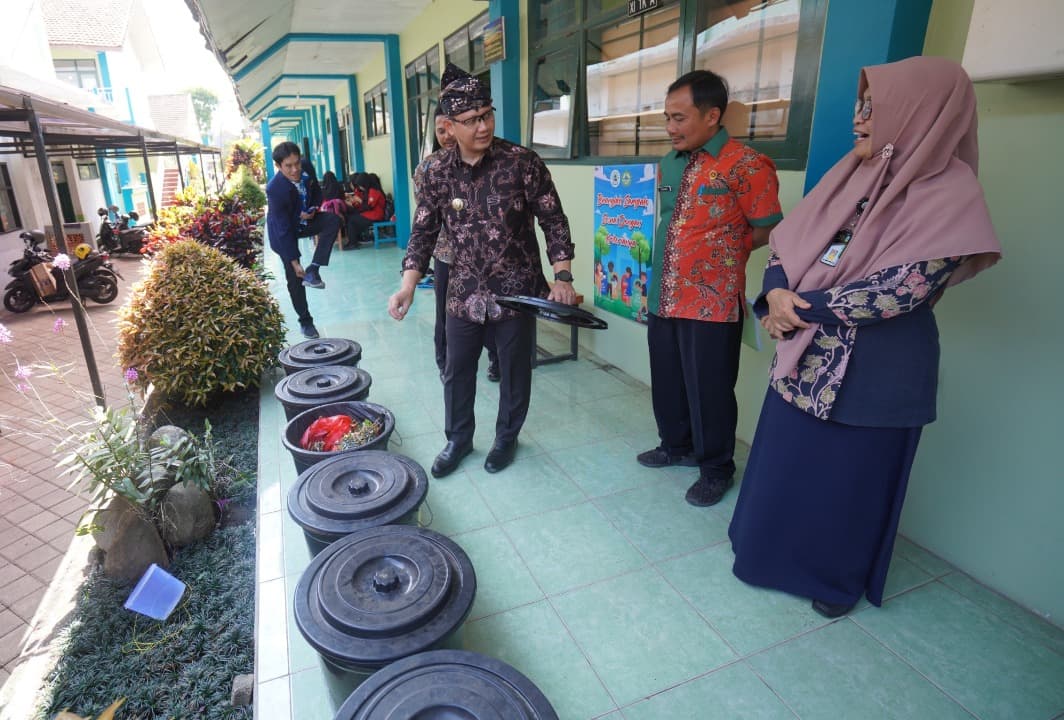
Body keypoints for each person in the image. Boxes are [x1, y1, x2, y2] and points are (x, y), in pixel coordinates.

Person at [728, 56, 1001, 618]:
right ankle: (762, 555)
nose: (859, 119)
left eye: (875, 108)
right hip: (806, 361)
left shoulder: (951, 195)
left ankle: (831, 581)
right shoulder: (850, 176)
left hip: (877, 372)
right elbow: (787, 243)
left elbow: (902, 289)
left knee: (847, 484)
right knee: (787, 466)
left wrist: (795, 308)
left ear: (921, 113)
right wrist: (776, 292)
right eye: (861, 105)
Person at [388, 63, 576, 478]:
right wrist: (407, 286)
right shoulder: (436, 172)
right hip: (463, 290)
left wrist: (562, 276)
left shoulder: (522, 163)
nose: (482, 126)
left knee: (513, 371)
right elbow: (422, 233)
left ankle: (506, 437)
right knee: (457, 371)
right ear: (449, 126)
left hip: (516, 289)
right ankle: (458, 439)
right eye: (471, 120)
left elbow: (554, 220)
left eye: (487, 115)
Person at [638, 69, 782, 507]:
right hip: (664, 293)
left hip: (712, 302)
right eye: (667, 118)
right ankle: (675, 445)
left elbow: (766, 229)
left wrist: (720, 256)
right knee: (667, 380)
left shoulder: (747, 165)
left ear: (712, 115)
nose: (671, 128)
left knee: (710, 389)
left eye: (680, 118)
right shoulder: (669, 163)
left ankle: (716, 467)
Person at [413, 106, 500, 384]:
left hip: (487, 256)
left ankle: (497, 360)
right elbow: (427, 221)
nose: (447, 136)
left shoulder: (491, 162)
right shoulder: (428, 169)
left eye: (450, 128)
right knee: (446, 314)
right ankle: (445, 363)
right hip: (447, 255)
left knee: (493, 310)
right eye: (441, 131)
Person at [265, 142, 341, 339]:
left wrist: (314, 208)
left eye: (297, 163)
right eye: (288, 166)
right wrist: (294, 260)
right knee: (294, 276)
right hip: (285, 229)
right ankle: (306, 322)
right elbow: (282, 228)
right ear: (279, 166)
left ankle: (314, 268)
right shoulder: (275, 189)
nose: (295, 169)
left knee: (332, 220)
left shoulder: (306, 167)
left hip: (306, 219)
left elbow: (317, 191)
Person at [342, 172, 387, 248]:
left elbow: (369, 206)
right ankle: (354, 240)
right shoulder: (369, 190)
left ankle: (353, 243)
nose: (360, 188)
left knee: (352, 220)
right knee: (351, 217)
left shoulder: (374, 191)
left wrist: (358, 202)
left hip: (375, 215)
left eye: (360, 185)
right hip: (370, 214)